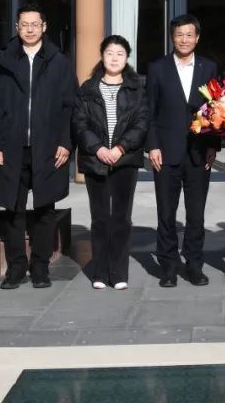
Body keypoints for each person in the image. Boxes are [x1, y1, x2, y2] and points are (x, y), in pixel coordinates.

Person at [0, 5, 76, 290]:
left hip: (48, 148)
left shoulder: (59, 62)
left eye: (35, 24)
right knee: (13, 209)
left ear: (44, 27)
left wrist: (66, 142)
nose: (30, 29)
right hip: (11, 148)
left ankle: (40, 267)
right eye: (24, 24)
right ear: (17, 27)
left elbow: (69, 106)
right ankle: (16, 268)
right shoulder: (4, 61)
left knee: (45, 209)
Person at [145, 14, 220, 287]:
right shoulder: (157, 68)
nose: (184, 39)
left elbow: (217, 110)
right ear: (172, 38)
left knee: (196, 215)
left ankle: (194, 265)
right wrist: (152, 145)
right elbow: (149, 111)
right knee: (166, 214)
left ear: (197, 38)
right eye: (179, 35)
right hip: (165, 152)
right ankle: (168, 267)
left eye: (189, 35)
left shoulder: (209, 67)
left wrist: (213, 145)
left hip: (199, 152)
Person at [73, 35, 150, 291]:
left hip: (125, 160)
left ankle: (118, 273)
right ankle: (100, 271)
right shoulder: (88, 88)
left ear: (127, 58)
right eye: (109, 53)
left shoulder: (137, 88)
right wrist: (98, 149)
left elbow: (142, 122)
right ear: (102, 56)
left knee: (121, 218)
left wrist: (120, 148)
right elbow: (79, 123)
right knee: (99, 218)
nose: (114, 58)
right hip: (95, 160)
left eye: (120, 54)